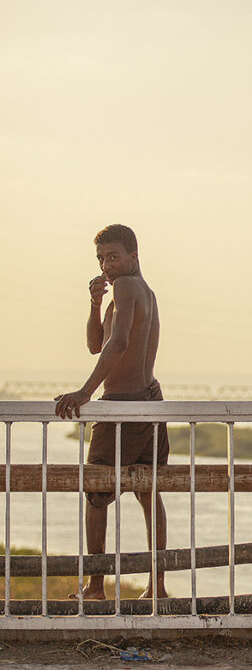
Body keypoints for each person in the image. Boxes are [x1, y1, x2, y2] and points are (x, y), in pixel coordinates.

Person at [54, 224, 170, 601]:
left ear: (134, 256)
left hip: (124, 405)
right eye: (101, 258)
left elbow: (119, 343)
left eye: (113, 256)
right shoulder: (140, 291)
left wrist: (85, 394)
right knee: (148, 492)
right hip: (150, 402)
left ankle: (95, 586)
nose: (106, 265)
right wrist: (94, 304)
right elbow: (96, 344)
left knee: (95, 492)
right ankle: (157, 587)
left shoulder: (128, 286)